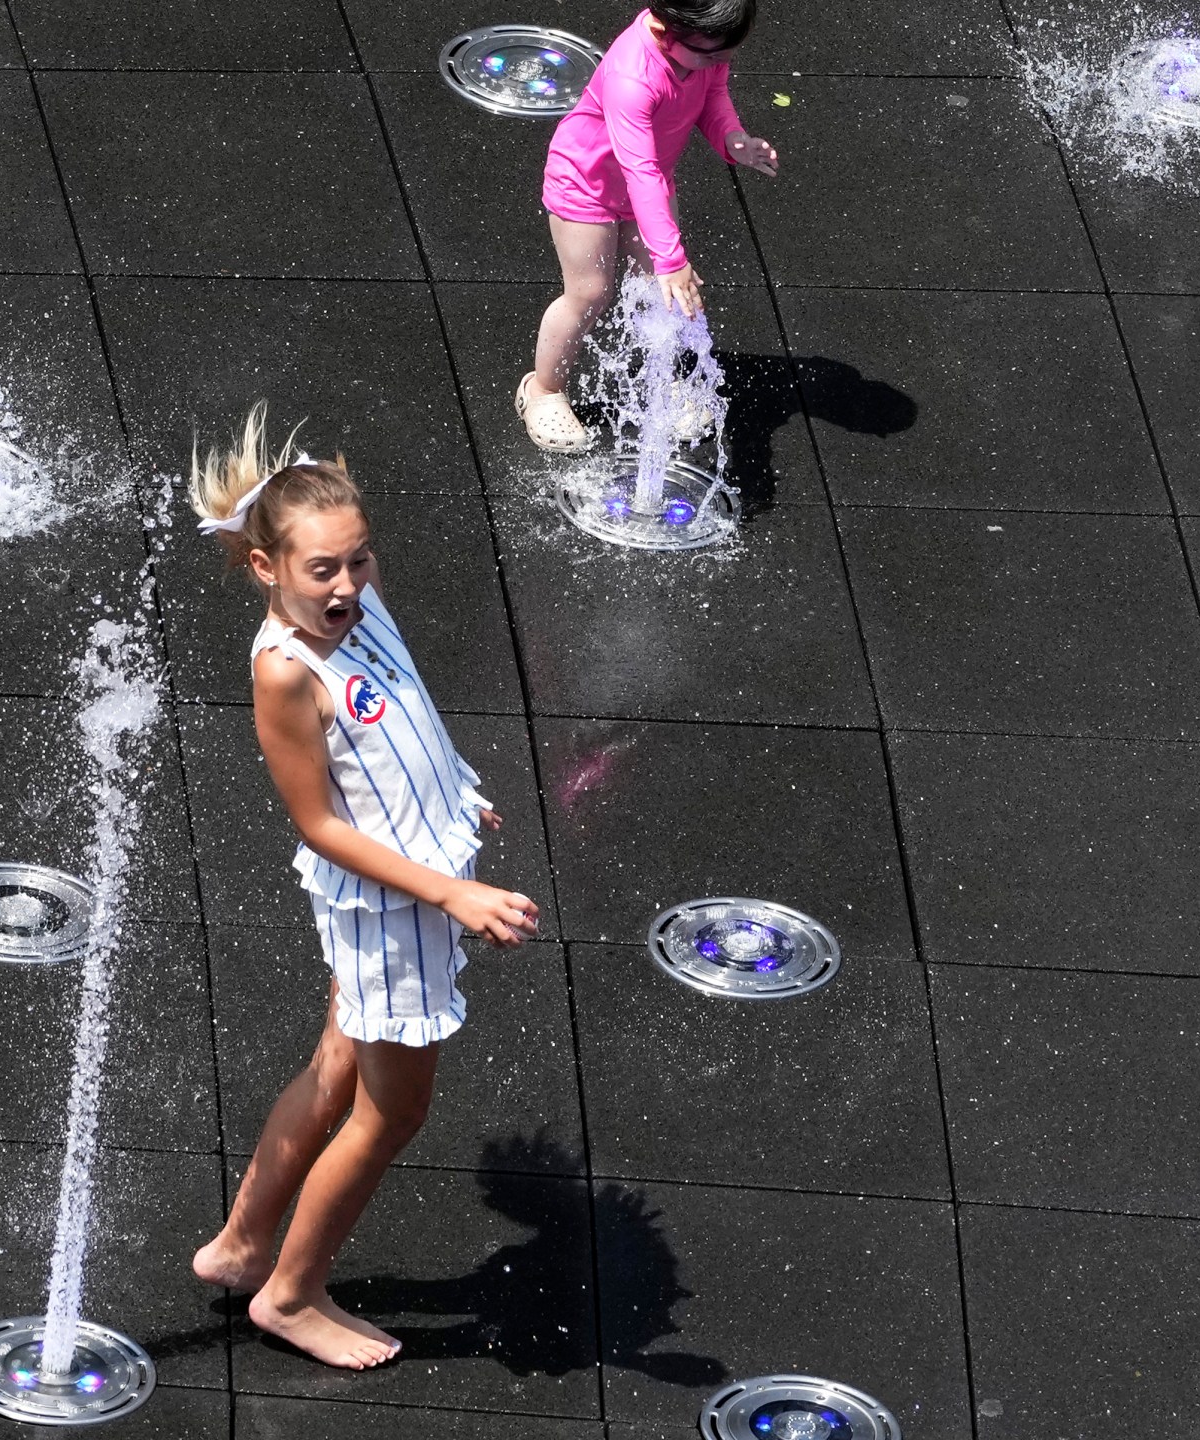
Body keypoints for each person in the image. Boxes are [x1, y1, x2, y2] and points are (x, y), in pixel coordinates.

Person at [184, 405, 541, 1369]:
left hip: (414, 879)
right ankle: (292, 1297)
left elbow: (407, 710)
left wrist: (458, 791)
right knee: (393, 1110)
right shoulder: (284, 669)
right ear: (267, 571)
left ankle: (245, 1243)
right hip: (392, 906)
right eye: (323, 570)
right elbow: (321, 823)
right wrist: (453, 893)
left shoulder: (356, 605)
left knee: (338, 1065)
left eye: (359, 559)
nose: (348, 585)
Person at [518, 0, 781, 453]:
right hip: (586, 182)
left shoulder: (702, 48)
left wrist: (731, 138)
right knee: (590, 292)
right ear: (663, 32)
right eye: (712, 56)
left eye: (727, 55)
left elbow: (711, 96)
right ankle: (542, 391)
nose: (720, 64)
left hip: (650, 183)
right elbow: (638, 170)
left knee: (665, 295)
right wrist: (671, 259)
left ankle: (663, 383)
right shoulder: (632, 78)